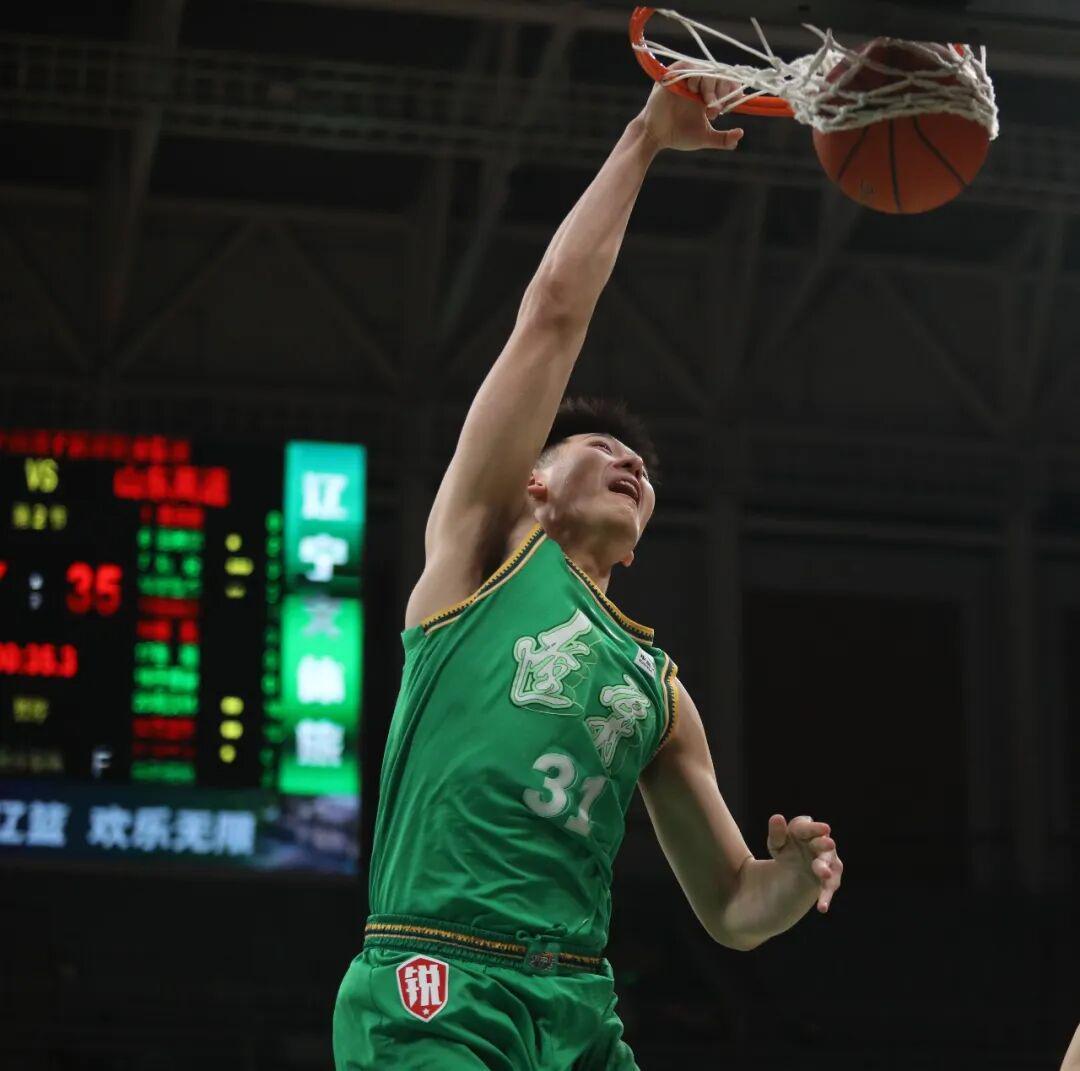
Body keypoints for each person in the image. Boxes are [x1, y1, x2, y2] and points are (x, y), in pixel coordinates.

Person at [333, 65, 843, 1070]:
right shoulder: (484, 550)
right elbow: (554, 314)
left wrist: (789, 883)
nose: (631, 462)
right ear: (533, 482)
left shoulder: (659, 692)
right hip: (438, 976)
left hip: (576, 1006)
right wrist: (645, 140)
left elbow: (733, 905)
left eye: (642, 468)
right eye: (599, 449)